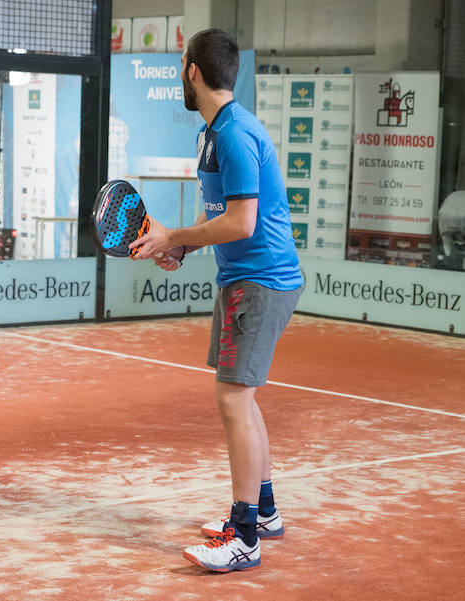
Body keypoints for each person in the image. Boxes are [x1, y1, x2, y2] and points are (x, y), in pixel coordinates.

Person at [129, 29, 303, 573]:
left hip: (261, 280)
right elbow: (220, 212)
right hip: (242, 278)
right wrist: (181, 248)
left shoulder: (234, 133)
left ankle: (244, 536)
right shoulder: (214, 132)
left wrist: (174, 236)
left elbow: (243, 222)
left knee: (232, 399)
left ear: (192, 72)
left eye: (182, 64)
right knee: (241, 398)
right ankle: (264, 513)